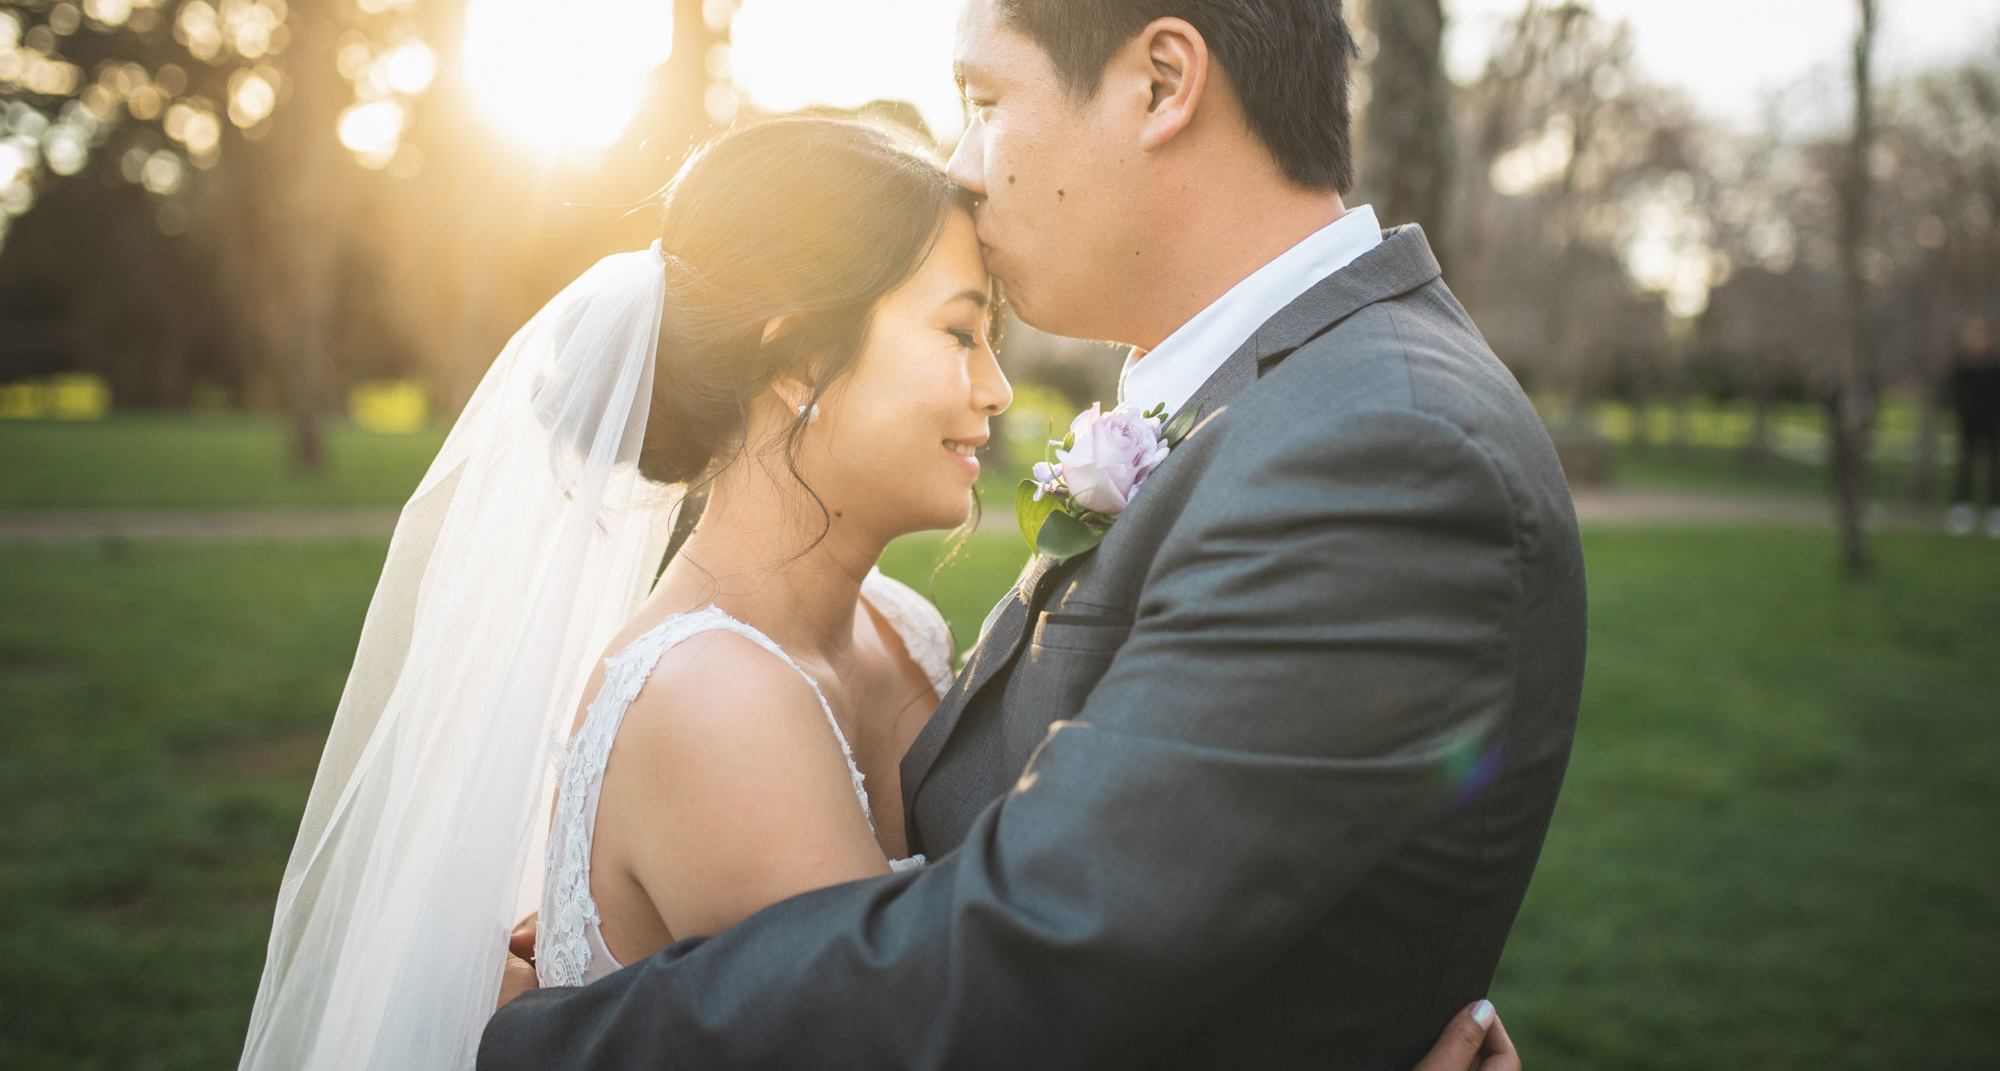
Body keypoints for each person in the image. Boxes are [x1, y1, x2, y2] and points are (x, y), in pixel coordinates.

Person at [482, 0, 1579, 1070]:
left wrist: (579, 1029)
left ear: (1160, 83)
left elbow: (1037, 948)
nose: (960, 160)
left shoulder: (1377, 449)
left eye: (983, 96)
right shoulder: (1274, 407)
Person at [238, 114, 1513, 1069]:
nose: (997, 390)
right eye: (958, 334)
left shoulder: (900, 631)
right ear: (799, 359)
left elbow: (1041, 939)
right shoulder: (714, 699)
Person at [1945, 316, 2000, 537]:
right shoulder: (1962, 366)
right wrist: (1961, 412)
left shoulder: (1995, 366)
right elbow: (1954, 393)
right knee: (1966, 465)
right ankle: (1963, 508)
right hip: (1968, 423)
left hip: (1992, 423)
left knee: (1993, 465)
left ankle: (1995, 508)